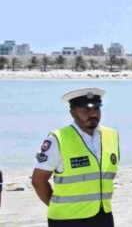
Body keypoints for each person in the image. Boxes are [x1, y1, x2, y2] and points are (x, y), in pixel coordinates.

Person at [32, 87, 119, 227]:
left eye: (96, 109)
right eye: (86, 110)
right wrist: (58, 207)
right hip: (67, 219)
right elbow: (38, 181)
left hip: (103, 216)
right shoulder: (57, 139)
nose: (93, 114)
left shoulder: (111, 136)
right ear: (73, 112)